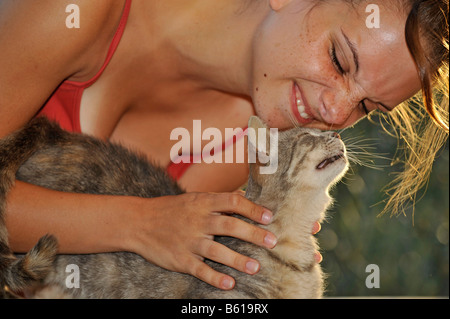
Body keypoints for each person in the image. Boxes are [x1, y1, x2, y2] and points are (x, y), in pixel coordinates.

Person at [0, 0, 448, 291]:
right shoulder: (80, 10)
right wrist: (140, 223)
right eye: (340, 60)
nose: (334, 113)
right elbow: (147, 232)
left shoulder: (248, 140)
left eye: (366, 106)